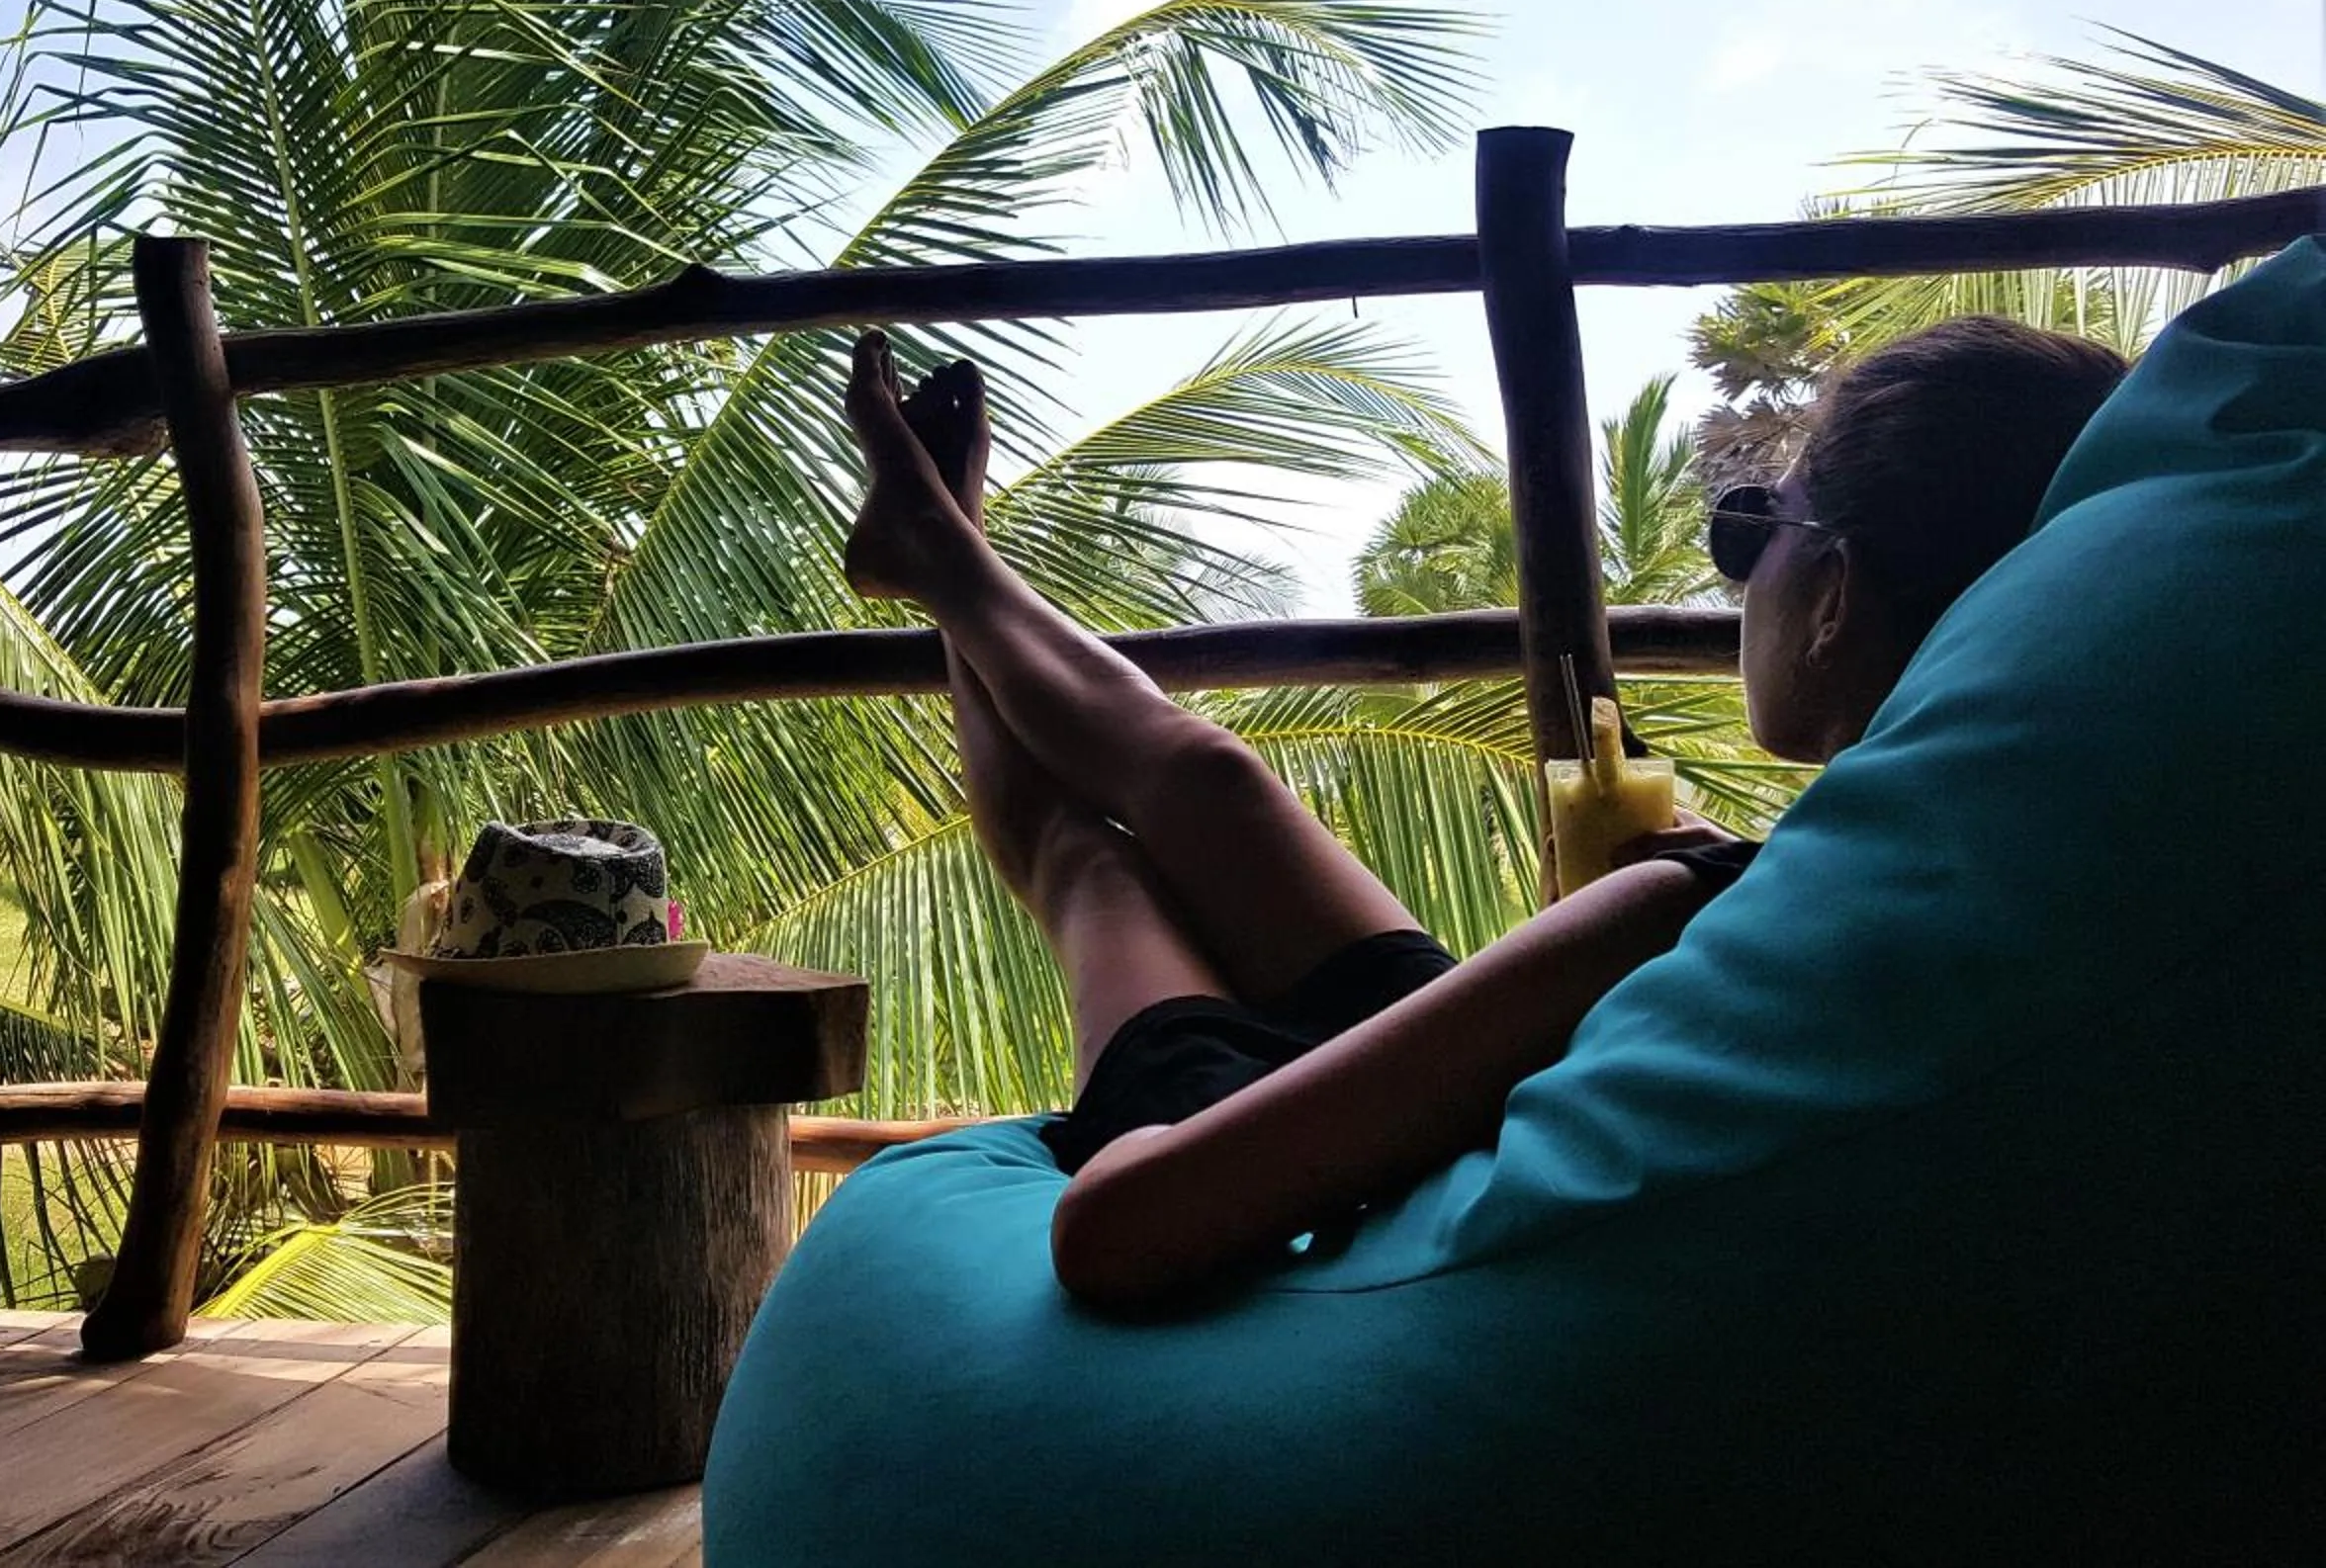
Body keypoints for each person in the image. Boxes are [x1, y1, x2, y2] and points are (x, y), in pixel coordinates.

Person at [837, 316, 2129, 1309]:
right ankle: (946, 550)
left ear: (1837, 596)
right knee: (1209, 781)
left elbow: (1113, 1231)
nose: (1743, 575)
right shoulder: (2024, 879)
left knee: (1091, 866)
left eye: (1753, 528)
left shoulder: (1701, 908)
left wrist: (1637, 920)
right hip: (1478, 1121)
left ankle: (941, 556)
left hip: (1311, 1208)